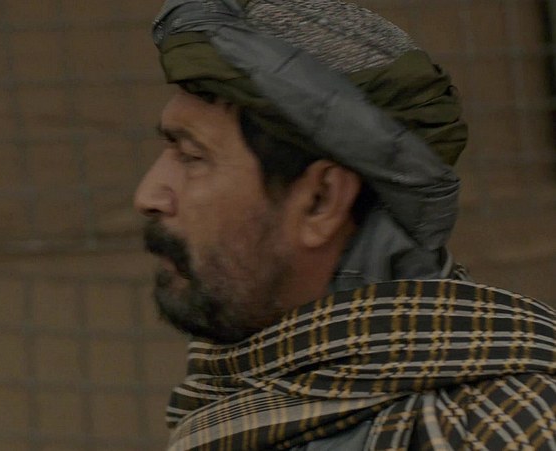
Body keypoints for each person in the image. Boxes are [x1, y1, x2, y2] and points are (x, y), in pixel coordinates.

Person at [133, 0, 556, 449]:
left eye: (192, 156)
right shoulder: (234, 397)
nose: (147, 195)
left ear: (321, 201)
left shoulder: (498, 429)